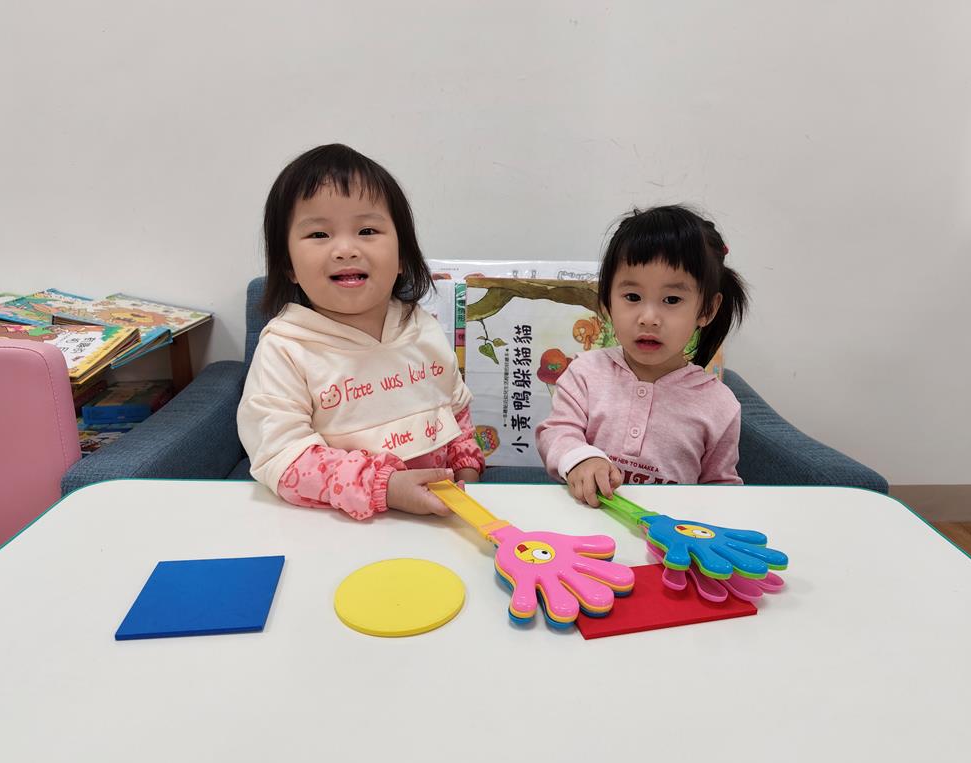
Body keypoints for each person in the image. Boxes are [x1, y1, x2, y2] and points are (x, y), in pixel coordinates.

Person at [238, 143, 484, 520]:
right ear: (288, 265)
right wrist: (384, 487)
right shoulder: (286, 348)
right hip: (339, 525)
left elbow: (454, 409)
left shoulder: (421, 327)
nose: (345, 249)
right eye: (319, 234)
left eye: (367, 230)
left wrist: (466, 466)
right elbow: (282, 457)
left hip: (441, 515)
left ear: (402, 256)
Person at [536, 205, 748, 506]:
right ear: (607, 301)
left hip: (670, 531)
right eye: (632, 297)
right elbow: (556, 432)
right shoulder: (585, 373)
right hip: (585, 523)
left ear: (707, 309)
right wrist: (581, 459)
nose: (648, 318)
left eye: (671, 299)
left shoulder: (719, 404)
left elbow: (720, 488)